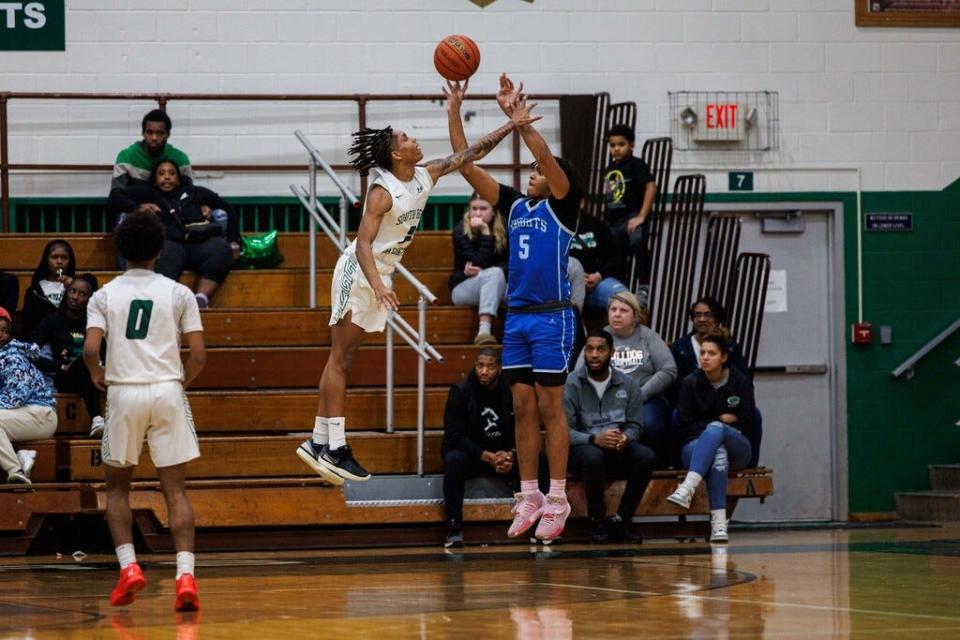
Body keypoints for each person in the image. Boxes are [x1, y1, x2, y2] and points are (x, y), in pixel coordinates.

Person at [296, 98, 539, 487]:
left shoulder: (426, 175)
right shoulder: (382, 191)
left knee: (343, 358)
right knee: (340, 359)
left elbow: (470, 153)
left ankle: (317, 441)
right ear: (396, 153)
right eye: (406, 137)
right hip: (358, 272)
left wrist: (511, 125)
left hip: (379, 273)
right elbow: (361, 244)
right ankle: (334, 448)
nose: (414, 139)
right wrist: (378, 284)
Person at [446, 75, 580, 542]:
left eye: (538, 172)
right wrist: (453, 111)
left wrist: (520, 124)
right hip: (518, 317)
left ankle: (558, 496)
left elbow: (545, 157)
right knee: (521, 406)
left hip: (553, 316)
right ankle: (529, 494)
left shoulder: (563, 206)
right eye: (532, 173)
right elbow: (466, 168)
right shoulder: (517, 206)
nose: (532, 174)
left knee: (550, 406)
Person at [83, 211, 206, 611]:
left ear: (121, 250)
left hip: (124, 392)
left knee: (118, 487)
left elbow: (89, 349)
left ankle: (129, 569)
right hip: (167, 390)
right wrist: (178, 383)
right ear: (159, 250)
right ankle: (185, 576)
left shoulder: (103, 294)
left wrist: (96, 373)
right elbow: (200, 355)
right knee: (175, 491)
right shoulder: (179, 292)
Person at [441, 348, 548, 548]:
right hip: (474, 455)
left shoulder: (512, 391)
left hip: (504, 455)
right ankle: (454, 528)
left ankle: (538, 528)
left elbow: (526, 428)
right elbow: (455, 436)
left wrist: (512, 454)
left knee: (539, 460)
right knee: (454, 460)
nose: (484, 371)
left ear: (499, 368)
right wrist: (486, 456)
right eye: (480, 365)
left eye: (490, 366)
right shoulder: (460, 391)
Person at [108, 159, 239, 308]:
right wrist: (137, 207)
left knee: (221, 249)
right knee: (161, 255)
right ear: (155, 180)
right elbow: (114, 198)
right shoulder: (147, 192)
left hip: (198, 242)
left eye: (172, 173)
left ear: (178, 179)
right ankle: (166, 305)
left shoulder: (193, 192)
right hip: (168, 243)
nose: (167, 177)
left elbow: (227, 207)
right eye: (161, 174)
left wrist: (234, 241)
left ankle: (201, 299)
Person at [565, 330, 655, 544]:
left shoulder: (628, 384)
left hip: (617, 447)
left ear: (611, 353)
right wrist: (593, 439)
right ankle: (597, 521)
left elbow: (635, 425)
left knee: (646, 456)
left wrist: (626, 437)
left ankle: (622, 520)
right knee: (592, 458)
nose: (594, 355)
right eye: (589, 349)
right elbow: (564, 432)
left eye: (600, 349)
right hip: (583, 449)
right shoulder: (572, 383)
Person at [667, 334, 755, 543]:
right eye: (702, 352)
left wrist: (713, 424)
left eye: (711, 353)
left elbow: (747, 419)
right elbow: (685, 424)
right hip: (694, 446)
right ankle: (718, 525)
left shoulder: (740, 381)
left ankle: (688, 486)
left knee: (717, 431)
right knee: (718, 451)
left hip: (738, 447)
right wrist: (719, 422)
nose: (704, 357)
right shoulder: (690, 383)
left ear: (723, 357)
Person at [670, 296, 761, 467]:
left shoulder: (731, 347)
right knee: (676, 416)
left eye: (707, 315)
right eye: (697, 315)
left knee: (755, 414)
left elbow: (743, 383)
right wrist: (717, 419)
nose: (702, 319)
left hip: (726, 402)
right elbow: (677, 386)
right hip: (695, 405)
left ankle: (750, 467)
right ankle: (677, 465)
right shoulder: (680, 348)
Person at [601, 291, 676, 462]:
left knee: (650, 424)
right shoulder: (600, 338)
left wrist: (641, 394)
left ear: (635, 316)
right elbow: (581, 373)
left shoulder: (647, 336)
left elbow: (669, 369)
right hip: (607, 401)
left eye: (623, 310)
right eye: (613, 309)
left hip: (646, 399)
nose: (617, 314)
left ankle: (651, 468)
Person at [30, 274, 105, 438]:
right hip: (64, 376)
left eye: (82, 294)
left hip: (92, 378)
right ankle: (97, 418)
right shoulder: (52, 321)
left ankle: (102, 421)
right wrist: (59, 367)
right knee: (86, 357)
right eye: (72, 291)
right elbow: (30, 352)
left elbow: (104, 352)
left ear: (90, 299)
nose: (75, 297)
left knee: (87, 359)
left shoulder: (93, 322)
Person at [0, 310, 57, 484]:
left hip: (40, 414)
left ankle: (15, 469)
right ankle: (22, 457)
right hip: (22, 414)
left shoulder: (13, 356)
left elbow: (17, 395)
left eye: (4, 330)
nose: (0, 335)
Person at [448, 193, 509, 345]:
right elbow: (478, 261)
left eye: (483, 208)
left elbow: (511, 263)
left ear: (494, 210)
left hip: (497, 285)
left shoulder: (505, 227)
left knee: (513, 286)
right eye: (474, 208)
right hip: (464, 287)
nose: (478, 213)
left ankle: (517, 337)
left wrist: (487, 271)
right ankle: (484, 331)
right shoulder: (460, 230)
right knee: (494, 274)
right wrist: (485, 232)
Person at [602, 125, 656, 289]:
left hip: (631, 216)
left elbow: (651, 187)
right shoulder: (610, 168)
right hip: (613, 221)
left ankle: (644, 286)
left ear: (631, 145)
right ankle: (621, 290)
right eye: (612, 145)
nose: (616, 149)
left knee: (638, 242)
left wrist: (641, 216)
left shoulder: (637, 164)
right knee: (616, 258)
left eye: (621, 144)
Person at [111, 109, 192, 192]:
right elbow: (116, 195)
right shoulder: (126, 158)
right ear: (143, 133)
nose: (154, 138)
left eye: (160, 133)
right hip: (135, 203)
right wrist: (138, 205)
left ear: (168, 135)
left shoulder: (181, 160)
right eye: (149, 132)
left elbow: (190, 195)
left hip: (170, 204)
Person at [568, 213, 627, 314]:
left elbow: (615, 259)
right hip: (566, 285)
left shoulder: (596, 224)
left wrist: (599, 275)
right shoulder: (550, 225)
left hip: (597, 283)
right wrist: (576, 278)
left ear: (582, 202)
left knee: (626, 302)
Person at [19, 239, 77, 340]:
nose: (59, 261)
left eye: (64, 257)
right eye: (54, 257)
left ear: (70, 261)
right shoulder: (34, 291)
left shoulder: (77, 287)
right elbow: (28, 325)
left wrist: (74, 286)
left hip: (71, 339)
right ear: (46, 260)